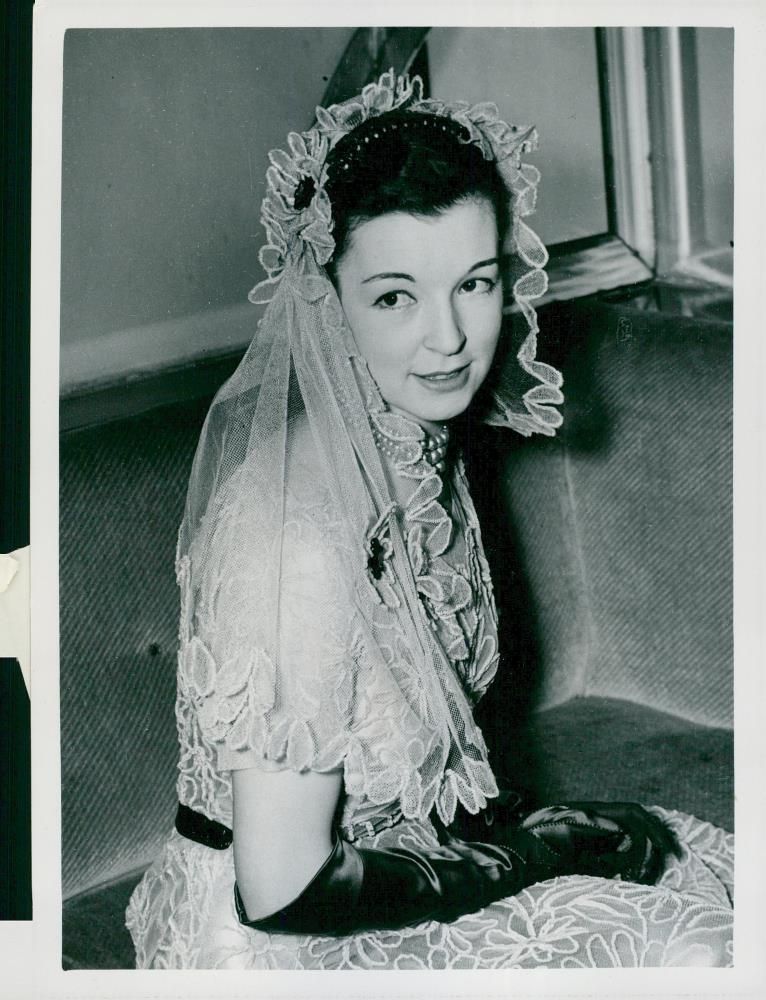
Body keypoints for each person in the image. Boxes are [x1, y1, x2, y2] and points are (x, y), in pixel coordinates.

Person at [125, 70, 733, 969]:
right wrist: (538, 852)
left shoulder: (411, 445)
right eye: (395, 296)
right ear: (328, 302)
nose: (449, 339)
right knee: (703, 952)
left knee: (714, 877)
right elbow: (285, 888)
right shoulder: (293, 533)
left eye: (475, 284)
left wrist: (546, 827)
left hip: (404, 861)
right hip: (281, 934)